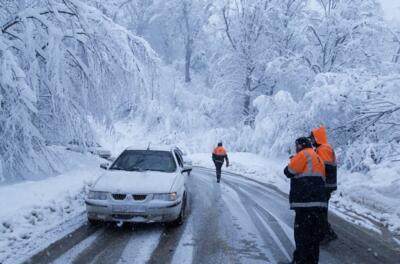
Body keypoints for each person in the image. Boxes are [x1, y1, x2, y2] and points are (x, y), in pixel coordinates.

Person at [282, 137, 327, 264]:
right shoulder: (317, 157)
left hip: (305, 202)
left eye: (296, 145)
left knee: (302, 235)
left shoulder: (303, 154)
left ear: (301, 146)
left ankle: (299, 261)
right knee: (313, 237)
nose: (295, 148)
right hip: (319, 203)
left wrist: (292, 161)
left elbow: (288, 172)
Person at [310, 127, 338, 244]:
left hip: (325, 185)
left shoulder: (323, 149)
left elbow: (325, 167)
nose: (311, 141)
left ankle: (327, 234)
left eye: (312, 138)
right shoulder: (322, 148)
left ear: (317, 137)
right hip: (326, 184)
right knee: (320, 210)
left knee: (320, 211)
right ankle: (325, 232)